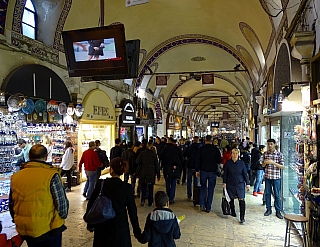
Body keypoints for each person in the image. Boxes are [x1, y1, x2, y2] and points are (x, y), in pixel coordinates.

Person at [9, 144, 69, 247]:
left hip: (27, 230)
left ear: (29, 156)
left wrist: (20, 220)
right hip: (49, 229)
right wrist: (61, 218)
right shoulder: (52, 175)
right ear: (46, 157)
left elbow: (12, 203)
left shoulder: (15, 177)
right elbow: (61, 204)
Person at [86, 158, 142, 247]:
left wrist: (90, 223)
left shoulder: (101, 184)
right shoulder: (126, 187)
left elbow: (91, 204)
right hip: (120, 227)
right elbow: (132, 211)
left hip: (102, 225)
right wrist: (137, 231)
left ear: (111, 169)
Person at [223, 148, 250, 224]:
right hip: (230, 184)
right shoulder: (228, 163)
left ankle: (242, 217)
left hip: (240, 184)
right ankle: (233, 211)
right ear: (231, 154)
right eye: (233, 153)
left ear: (238, 154)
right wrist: (224, 183)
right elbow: (225, 174)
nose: (235, 155)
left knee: (241, 200)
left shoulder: (241, 163)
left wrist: (247, 184)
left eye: (236, 153)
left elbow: (245, 174)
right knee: (231, 199)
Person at [195, 135, 222, 213]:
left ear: (205, 140)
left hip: (203, 171)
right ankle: (208, 207)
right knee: (211, 189)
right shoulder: (215, 149)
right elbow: (219, 160)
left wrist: (197, 170)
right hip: (212, 172)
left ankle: (202, 204)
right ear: (212, 140)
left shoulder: (201, 149)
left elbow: (198, 160)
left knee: (203, 187)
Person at [262, 139, 284, 219]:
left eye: (271, 144)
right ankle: (268, 209)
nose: (269, 145)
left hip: (276, 177)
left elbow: (283, 167)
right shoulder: (265, 154)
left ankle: (278, 211)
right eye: (268, 144)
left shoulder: (279, 154)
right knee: (267, 193)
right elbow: (262, 166)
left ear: (274, 144)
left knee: (277, 195)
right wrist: (265, 162)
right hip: (267, 177)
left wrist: (273, 163)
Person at [135, 142, 160, 207]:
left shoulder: (142, 153)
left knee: (143, 187)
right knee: (150, 188)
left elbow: (137, 161)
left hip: (143, 172)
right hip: (151, 172)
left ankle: (142, 200)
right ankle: (150, 202)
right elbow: (157, 166)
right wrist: (158, 175)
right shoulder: (154, 155)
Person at [160, 137, 183, 204]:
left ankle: (168, 196)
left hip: (167, 168)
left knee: (167, 183)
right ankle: (171, 198)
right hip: (174, 167)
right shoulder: (176, 149)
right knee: (173, 183)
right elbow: (181, 158)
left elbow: (161, 157)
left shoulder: (164, 149)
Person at [184, 136, 201, 200]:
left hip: (190, 166)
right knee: (196, 182)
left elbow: (184, 154)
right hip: (197, 167)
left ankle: (189, 195)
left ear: (193, 140)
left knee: (189, 181)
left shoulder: (189, 148)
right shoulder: (201, 148)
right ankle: (195, 196)